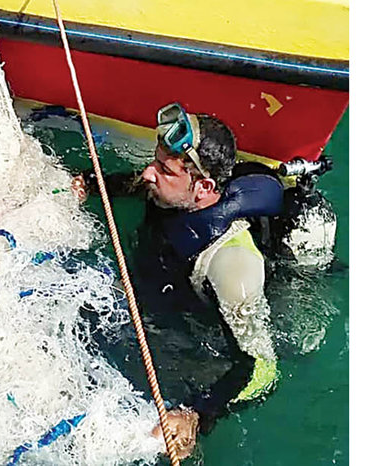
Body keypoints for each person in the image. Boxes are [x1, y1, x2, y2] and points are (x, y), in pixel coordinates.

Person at [72, 103, 284, 458]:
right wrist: (88, 184)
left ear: (203, 188)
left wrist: (196, 416)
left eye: (163, 170)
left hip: (197, 334)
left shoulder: (231, 264)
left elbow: (262, 368)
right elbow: (135, 185)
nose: (148, 173)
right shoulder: (173, 194)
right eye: (155, 162)